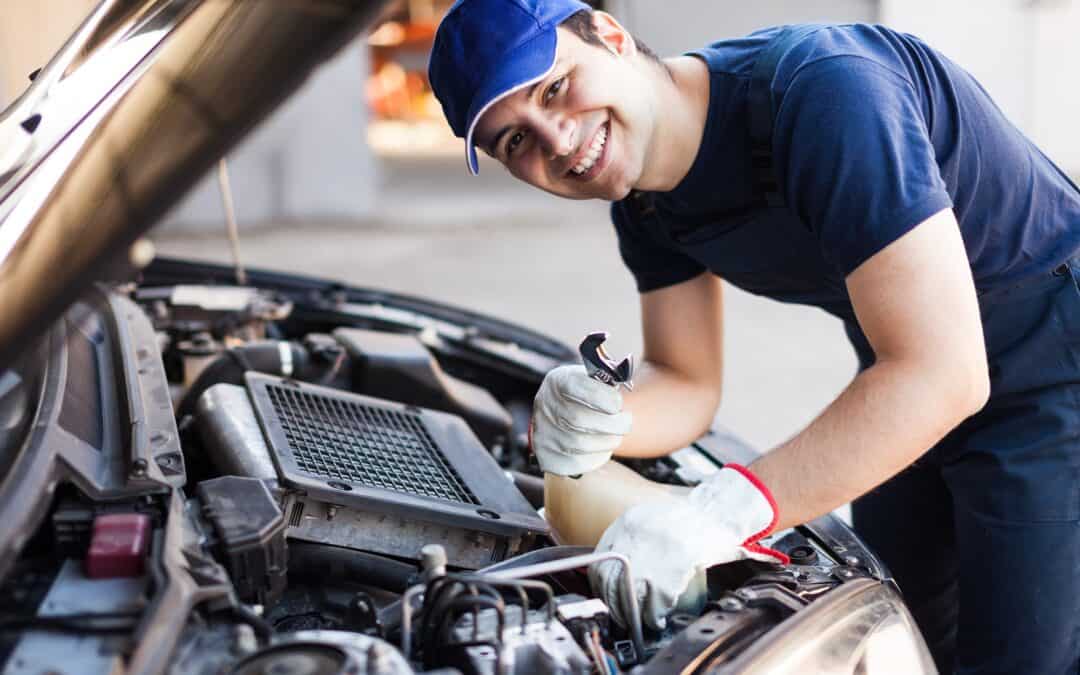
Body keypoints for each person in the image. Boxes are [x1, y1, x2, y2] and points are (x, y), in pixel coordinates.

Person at [427, 1, 1080, 672]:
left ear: (611, 35)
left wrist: (719, 512)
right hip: (905, 377)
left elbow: (945, 373)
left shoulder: (825, 95)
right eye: (515, 141)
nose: (557, 142)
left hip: (1051, 372)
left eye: (555, 88)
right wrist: (601, 418)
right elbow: (686, 379)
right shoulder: (646, 203)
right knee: (899, 632)